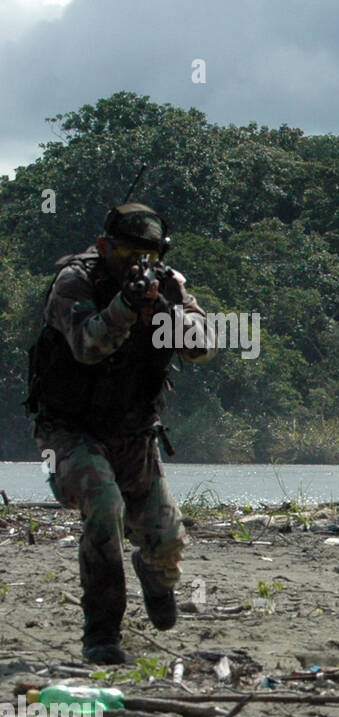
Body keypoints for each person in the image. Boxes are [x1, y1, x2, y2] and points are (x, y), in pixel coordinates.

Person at [24, 202, 215, 664]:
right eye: (127, 252)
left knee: (167, 539)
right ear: (106, 246)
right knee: (104, 507)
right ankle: (102, 632)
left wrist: (165, 308)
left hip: (133, 431)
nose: (137, 264)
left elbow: (202, 347)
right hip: (69, 431)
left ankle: (154, 574)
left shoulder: (169, 282)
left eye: (147, 255)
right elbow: (88, 346)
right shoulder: (75, 281)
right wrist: (125, 307)